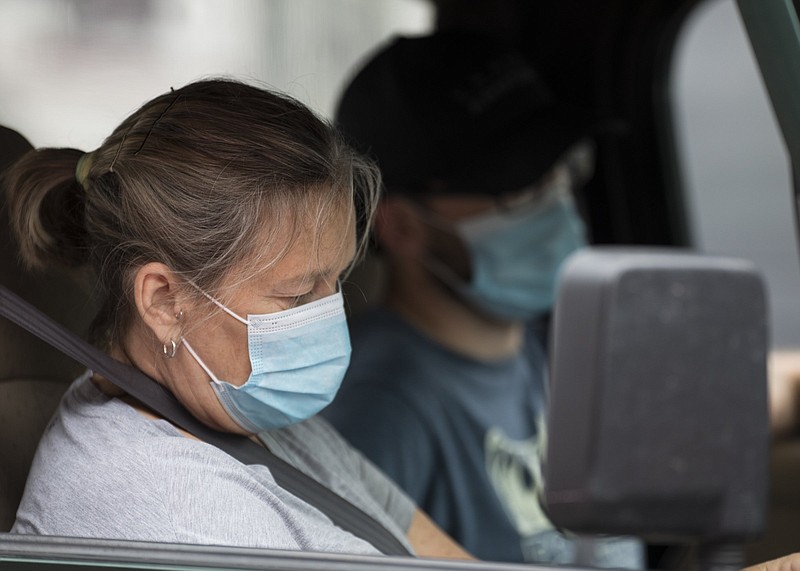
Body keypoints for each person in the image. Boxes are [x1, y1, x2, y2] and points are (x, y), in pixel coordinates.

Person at [4, 79, 470, 559]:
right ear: (164, 302)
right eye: (296, 296)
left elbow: (432, 548)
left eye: (336, 280)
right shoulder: (179, 514)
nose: (330, 316)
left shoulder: (247, 407)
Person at [321, 32, 643, 566]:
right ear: (402, 226)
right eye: (519, 190)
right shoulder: (381, 409)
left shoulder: (544, 350)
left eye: (564, 171)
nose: (558, 205)